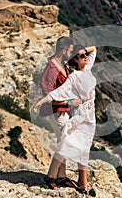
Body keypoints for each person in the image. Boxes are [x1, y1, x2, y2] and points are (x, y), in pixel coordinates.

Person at [31, 45, 97, 193]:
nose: (85, 57)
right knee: (67, 142)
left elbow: (94, 50)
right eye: (81, 56)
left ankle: (81, 182)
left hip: (90, 116)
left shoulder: (87, 68)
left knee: (85, 148)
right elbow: (58, 92)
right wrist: (41, 101)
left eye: (85, 55)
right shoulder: (73, 76)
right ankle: (53, 177)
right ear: (75, 59)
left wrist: (81, 51)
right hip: (80, 115)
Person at [40, 36, 82, 190]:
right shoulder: (52, 70)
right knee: (65, 142)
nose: (71, 54)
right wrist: (70, 102)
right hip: (57, 112)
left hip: (64, 111)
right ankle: (51, 176)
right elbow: (49, 97)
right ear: (63, 51)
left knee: (63, 140)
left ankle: (61, 176)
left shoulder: (62, 66)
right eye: (70, 51)